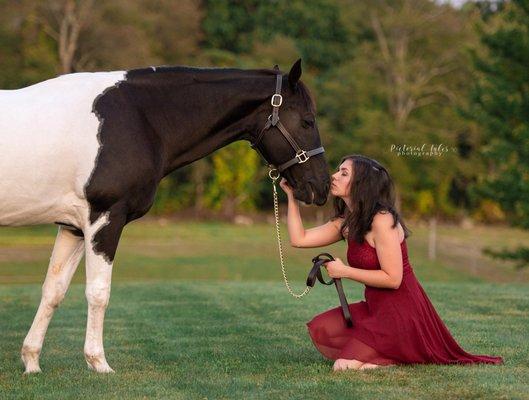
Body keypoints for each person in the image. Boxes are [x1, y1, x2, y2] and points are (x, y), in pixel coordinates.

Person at [279, 154, 504, 372]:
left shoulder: (382, 220)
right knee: (323, 328)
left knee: (343, 366)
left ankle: (397, 356)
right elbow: (300, 239)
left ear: (361, 184)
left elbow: (393, 279)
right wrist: (291, 197)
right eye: (338, 171)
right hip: (374, 310)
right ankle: (387, 352)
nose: (334, 176)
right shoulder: (348, 222)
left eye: (344, 173)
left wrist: (345, 271)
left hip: (401, 314)